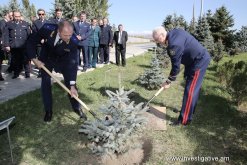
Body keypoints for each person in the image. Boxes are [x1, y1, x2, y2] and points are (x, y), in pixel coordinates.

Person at [26, 21, 87, 122]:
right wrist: (34, 59)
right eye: (65, 35)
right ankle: (48, 111)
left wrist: (72, 85)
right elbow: (31, 41)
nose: (68, 37)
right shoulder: (47, 28)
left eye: (70, 35)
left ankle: (77, 107)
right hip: (47, 59)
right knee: (45, 82)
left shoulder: (74, 41)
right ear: (59, 31)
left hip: (64, 61)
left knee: (71, 84)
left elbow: (73, 64)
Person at [152, 26, 211, 126]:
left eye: (157, 40)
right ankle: (189, 111)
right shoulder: (175, 31)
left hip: (198, 61)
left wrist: (168, 81)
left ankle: (184, 120)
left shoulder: (173, 45)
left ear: (162, 35)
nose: (158, 43)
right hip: (193, 61)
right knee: (192, 88)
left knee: (190, 90)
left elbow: (176, 67)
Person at [3, 11, 31, 79]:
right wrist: (7, 45)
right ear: (13, 16)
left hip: (24, 45)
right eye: (16, 16)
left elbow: (29, 34)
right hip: (14, 45)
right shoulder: (9, 24)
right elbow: (6, 35)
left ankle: (27, 73)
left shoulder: (25, 23)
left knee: (26, 60)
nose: (17, 18)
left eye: (19, 16)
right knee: (15, 60)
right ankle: (16, 73)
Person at [31, 9, 49, 77]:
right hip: (39, 44)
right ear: (38, 15)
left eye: (42, 14)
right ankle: (41, 72)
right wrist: (40, 39)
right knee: (40, 58)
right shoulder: (35, 23)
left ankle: (47, 71)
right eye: (39, 14)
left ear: (45, 14)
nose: (41, 16)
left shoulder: (48, 22)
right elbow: (34, 33)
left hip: (47, 43)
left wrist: (46, 39)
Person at [0, 10, 10, 81]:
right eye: (9, 15)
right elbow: (2, 33)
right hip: (2, 43)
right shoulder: (2, 22)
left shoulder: (8, 22)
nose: (10, 16)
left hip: (6, 43)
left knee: (2, 59)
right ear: (5, 16)